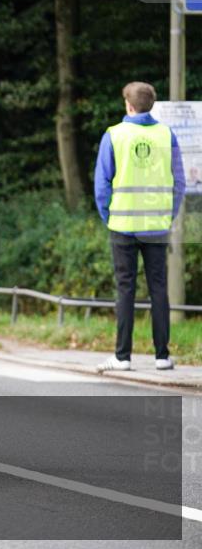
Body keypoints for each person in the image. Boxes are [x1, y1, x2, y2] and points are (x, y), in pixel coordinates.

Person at [94, 81, 185, 372]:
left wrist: (109, 216)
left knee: (125, 290)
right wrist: (167, 215)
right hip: (157, 226)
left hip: (122, 225)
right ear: (151, 105)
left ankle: (122, 357)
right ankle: (162, 356)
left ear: (129, 105)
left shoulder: (114, 135)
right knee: (159, 288)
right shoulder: (166, 135)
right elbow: (179, 181)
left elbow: (101, 184)